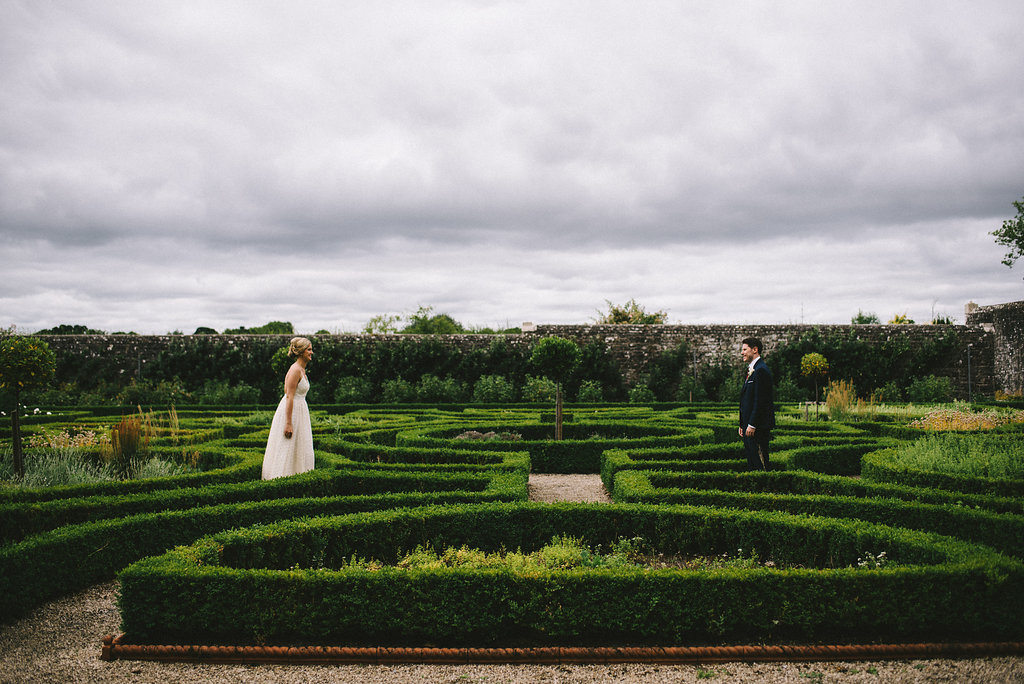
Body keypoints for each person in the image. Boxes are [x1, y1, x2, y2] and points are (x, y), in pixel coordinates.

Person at [262, 337, 314, 479]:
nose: (312, 352)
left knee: (301, 449)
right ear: (302, 352)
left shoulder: (302, 370)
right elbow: (289, 396)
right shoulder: (295, 370)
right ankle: (279, 480)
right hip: (292, 412)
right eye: (309, 349)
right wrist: (288, 423)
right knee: (287, 448)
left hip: (301, 411)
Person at [738, 337, 775, 471]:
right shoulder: (752, 370)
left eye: (744, 349)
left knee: (760, 463)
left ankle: (766, 488)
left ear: (755, 350)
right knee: (752, 462)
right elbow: (747, 400)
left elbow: (761, 401)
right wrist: (742, 424)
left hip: (757, 427)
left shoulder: (761, 370)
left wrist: (752, 424)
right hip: (748, 426)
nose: (742, 353)